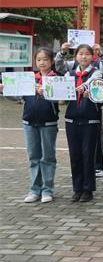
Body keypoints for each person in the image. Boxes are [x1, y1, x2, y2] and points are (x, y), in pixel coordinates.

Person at [0, 48, 59, 204]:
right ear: (35, 61)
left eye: (45, 59)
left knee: (47, 157)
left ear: (51, 61)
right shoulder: (29, 78)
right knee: (33, 157)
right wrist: (5, 89)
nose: (42, 62)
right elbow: (17, 96)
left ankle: (47, 190)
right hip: (29, 123)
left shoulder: (56, 79)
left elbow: (61, 99)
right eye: (39, 59)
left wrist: (46, 91)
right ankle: (34, 190)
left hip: (48, 123)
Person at [60, 44, 103, 202]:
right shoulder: (69, 74)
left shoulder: (96, 72)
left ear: (93, 57)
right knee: (75, 155)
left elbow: (93, 82)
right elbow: (60, 89)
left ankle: (88, 189)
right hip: (71, 119)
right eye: (80, 54)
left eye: (87, 54)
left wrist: (84, 88)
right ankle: (77, 188)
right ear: (76, 57)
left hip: (90, 120)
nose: (84, 57)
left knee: (88, 155)